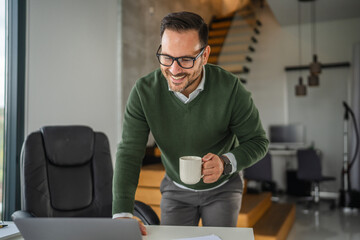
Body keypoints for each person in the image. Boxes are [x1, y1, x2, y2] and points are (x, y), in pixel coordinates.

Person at [112, 11, 269, 235]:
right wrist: (122, 212)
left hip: (223, 189)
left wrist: (226, 162)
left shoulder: (231, 88)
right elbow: (129, 152)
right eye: (167, 57)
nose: (174, 70)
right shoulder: (143, 92)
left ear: (205, 55)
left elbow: (258, 142)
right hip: (175, 188)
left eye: (186, 59)